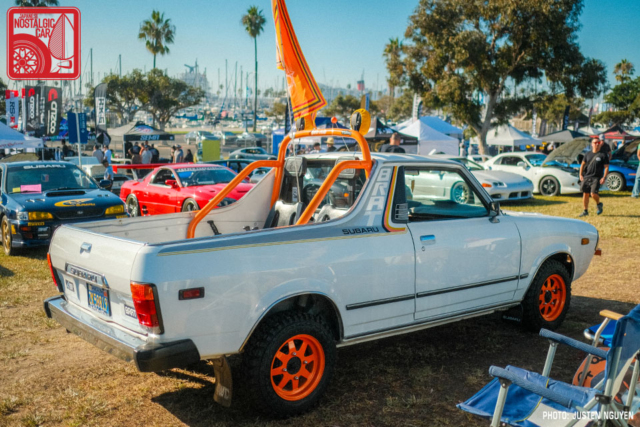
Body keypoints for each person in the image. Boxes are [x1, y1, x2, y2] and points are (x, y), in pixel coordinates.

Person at [578, 136, 609, 217]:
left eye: (598, 143)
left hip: (596, 177)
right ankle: (585, 211)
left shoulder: (603, 155)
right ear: (592, 144)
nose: (597, 144)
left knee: (593, 194)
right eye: (595, 143)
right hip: (587, 176)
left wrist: (604, 177)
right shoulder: (587, 154)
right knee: (585, 194)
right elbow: (582, 165)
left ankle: (599, 204)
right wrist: (580, 174)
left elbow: (606, 167)